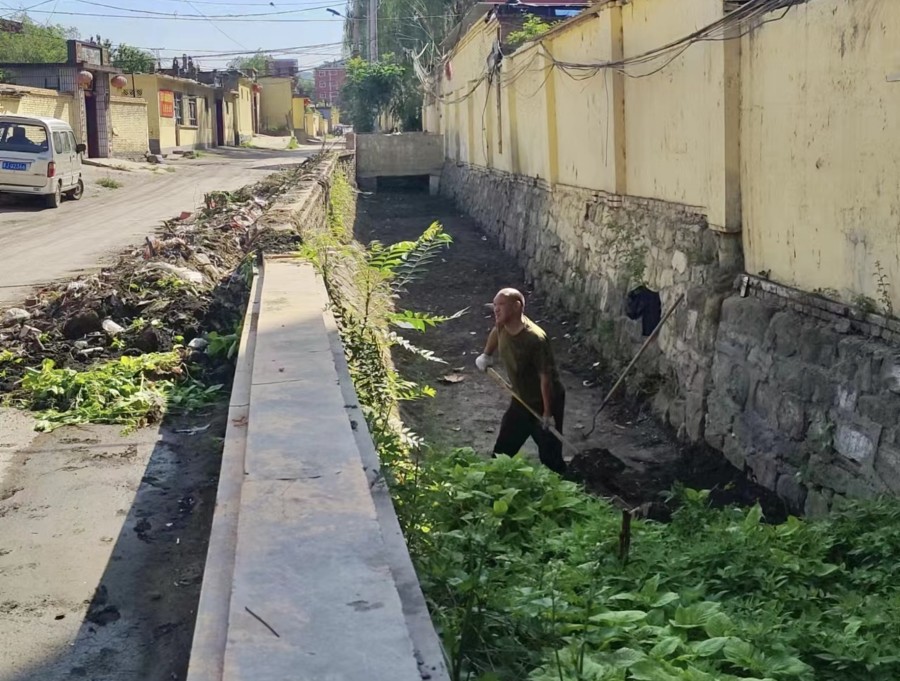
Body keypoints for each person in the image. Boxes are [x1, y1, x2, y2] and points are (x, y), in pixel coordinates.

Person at [475, 287, 567, 474]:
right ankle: (494, 482)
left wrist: (548, 413)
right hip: (520, 400)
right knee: (503, 450)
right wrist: (486, 355)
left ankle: (567, 486)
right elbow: (496, 331)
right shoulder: (503, 324)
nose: (496, 309)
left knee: (550, 457)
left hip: (544, 402)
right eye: (494, 305)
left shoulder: (535, 339)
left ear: (517, 307)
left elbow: (546, 379)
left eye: (501, 305)